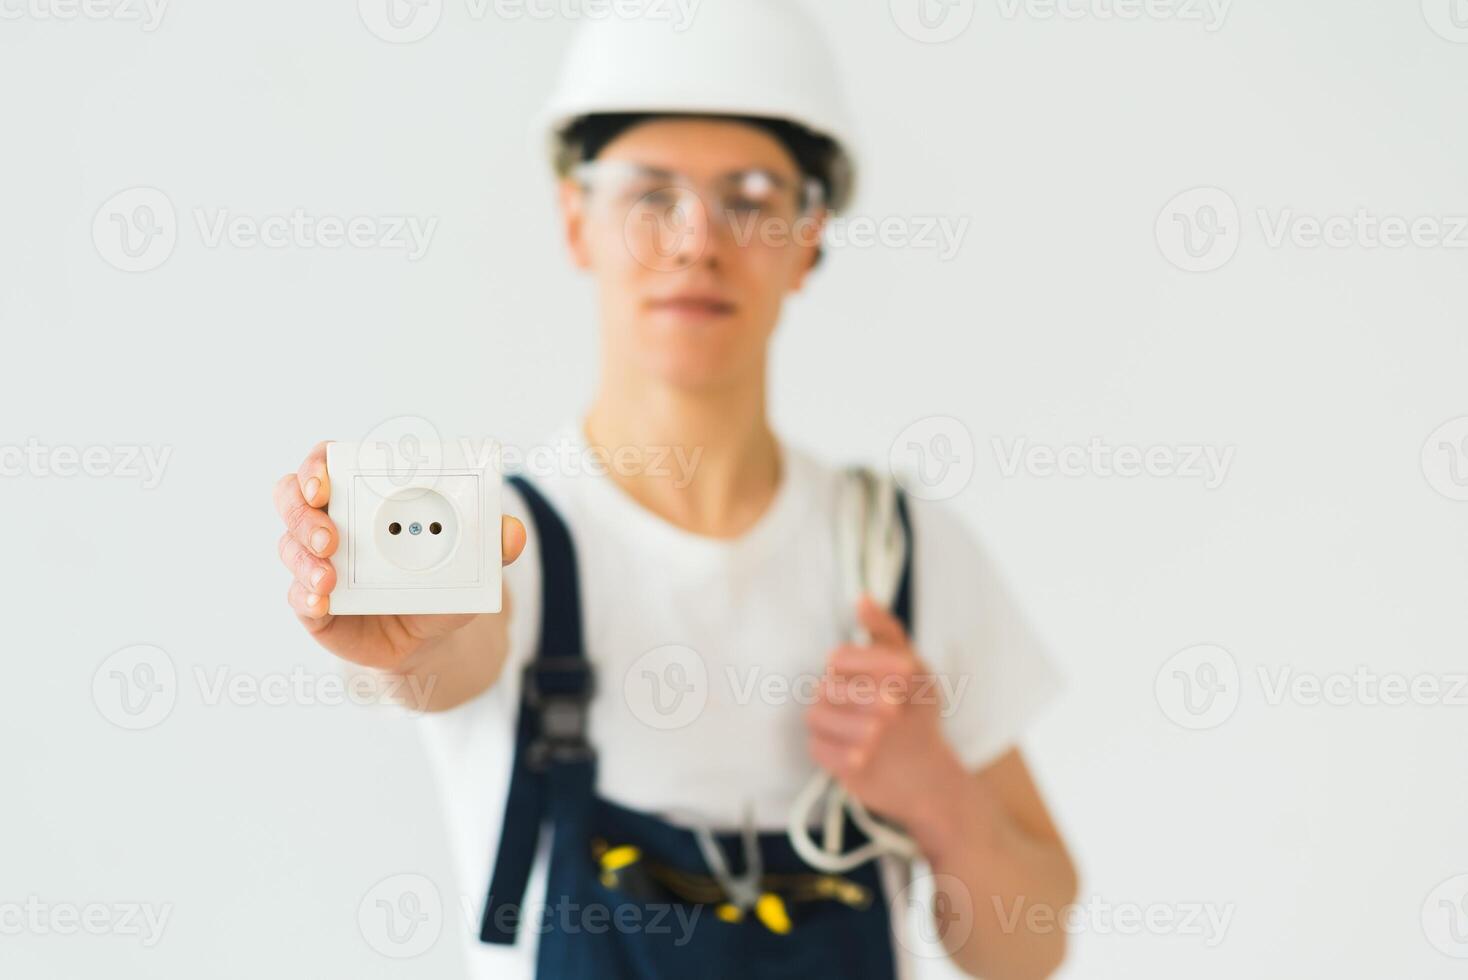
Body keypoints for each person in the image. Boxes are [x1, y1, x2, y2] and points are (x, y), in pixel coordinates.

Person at [272, 2, 1077, 976]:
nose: (696, 240)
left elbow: (1026, 950)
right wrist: (401, 641)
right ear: (578, 223)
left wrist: (940, 795)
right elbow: (445, 649)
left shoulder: (901, 551)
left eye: (748, 195)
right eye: (649, 194)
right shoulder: (503, 535)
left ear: (808, 235)